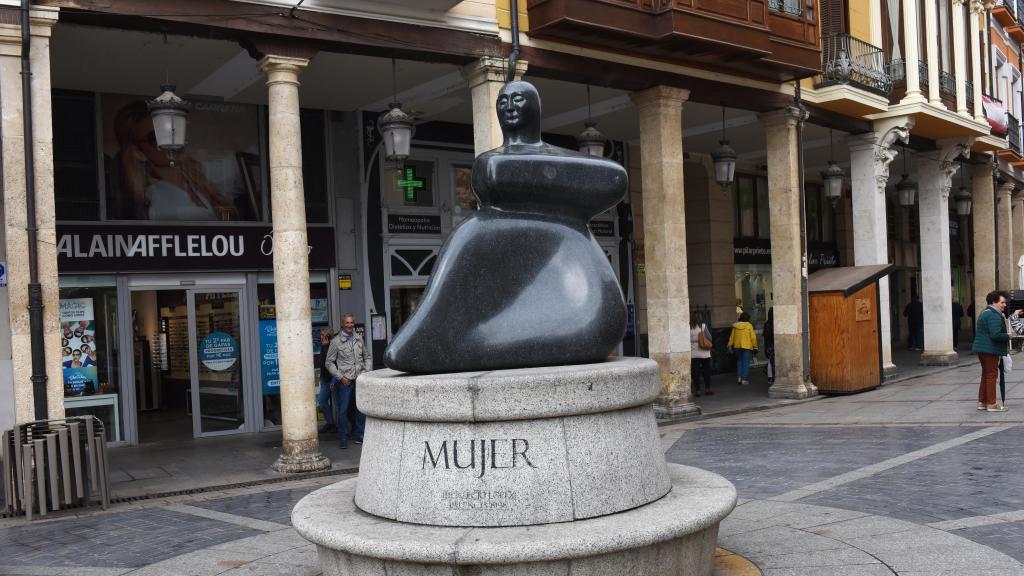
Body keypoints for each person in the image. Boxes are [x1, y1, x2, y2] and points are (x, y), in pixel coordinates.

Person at [114, 100, 233, 221]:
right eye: (156, 137)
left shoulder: (192, 175)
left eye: (172, 129)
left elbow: (232, 171)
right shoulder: (162, 201)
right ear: (138, 153)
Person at [325, 314, 372, 449]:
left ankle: (359, 434)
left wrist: (366, 372)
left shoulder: (358, 338)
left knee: (360, 409)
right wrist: (340, 377)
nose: (350, 325)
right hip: (345, 381)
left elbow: (367, 356)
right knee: (343, 410)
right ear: (342, 324)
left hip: (360, 378)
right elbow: (329, 363)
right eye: (347, 323)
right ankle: (343, 437)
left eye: (351, 322)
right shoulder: (336, 342)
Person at [972, 290, 1009, 412]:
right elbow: (995, 335)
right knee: (991, 375)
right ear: (994, 302)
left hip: (982, 349)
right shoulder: (993, 315)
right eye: (1002, 302)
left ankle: (982, 402)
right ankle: (992, 403)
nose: (1005, 305)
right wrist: (1008, 336)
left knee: (986, 374)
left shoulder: (985, 312)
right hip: (990, 349)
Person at [727, 312, 758, 386]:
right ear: (748, 319)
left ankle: (739, 378)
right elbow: (753, 337)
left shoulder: (735, 326)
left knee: (739, 362)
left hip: (737, 346)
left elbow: (732, 337)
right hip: (747, 346)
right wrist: (755, 346)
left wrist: (729, 345)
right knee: (745, 363)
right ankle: (744, 379)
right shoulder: (749, 326)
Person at [316, 327, 336, 434]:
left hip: (332, 379)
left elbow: (333, 363)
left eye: (323, 335)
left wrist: (333, 380)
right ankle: (330, 423)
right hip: (325, 379)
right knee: (322, 401)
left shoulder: (331, 346)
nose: (321, 337)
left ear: (328, 335)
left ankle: (333, 424)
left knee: (335, 403)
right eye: (321, 335)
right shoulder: (323, 346)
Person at [689, 313, 713, 397]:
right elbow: (710, 337)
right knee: (706, 371)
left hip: (694, 353)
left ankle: (698, 390)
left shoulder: (689, 327)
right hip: (705, 353)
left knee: (696, 372)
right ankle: (707, 389)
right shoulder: (703, 326)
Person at [764, 307, 775, 384]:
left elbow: (765, 335)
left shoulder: (766, 324)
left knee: (770, 362)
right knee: (773, 362)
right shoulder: (775, 323)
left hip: (768, 345)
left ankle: (770, 377)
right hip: (773, 344)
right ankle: (772, 377)